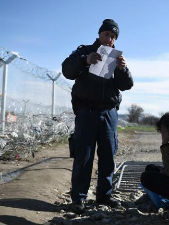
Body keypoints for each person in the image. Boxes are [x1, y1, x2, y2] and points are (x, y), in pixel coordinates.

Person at [62, 19, 133, 212]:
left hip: (109, 113)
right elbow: (66, 69)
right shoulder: (84, 50)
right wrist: (85, 60)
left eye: (113, 36)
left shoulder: (117, 57)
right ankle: (78, 198)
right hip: (86, 112)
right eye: (106, 34)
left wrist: (122, 69)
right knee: (84, 155)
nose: (109, 39)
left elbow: (126, 85)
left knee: (108, 155)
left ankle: (104, 197)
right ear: (99, 34)